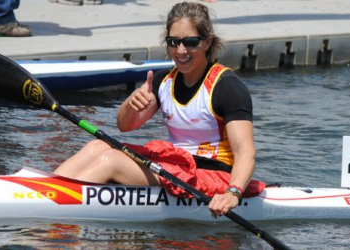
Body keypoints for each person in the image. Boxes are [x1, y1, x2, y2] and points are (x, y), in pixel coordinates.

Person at [54, 1, 265, 218]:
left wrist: (233, 192)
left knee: (111, 162)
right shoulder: (164, 80)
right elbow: (125, 126)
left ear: (207, 42)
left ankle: (53, 207)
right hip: (177, 165)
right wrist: (131, 104)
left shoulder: (227, 86)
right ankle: (39, 189)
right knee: (97, 147)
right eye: (173, 42)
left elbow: (246, 152)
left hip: (216, 176)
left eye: (190, 42)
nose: (181, 51)